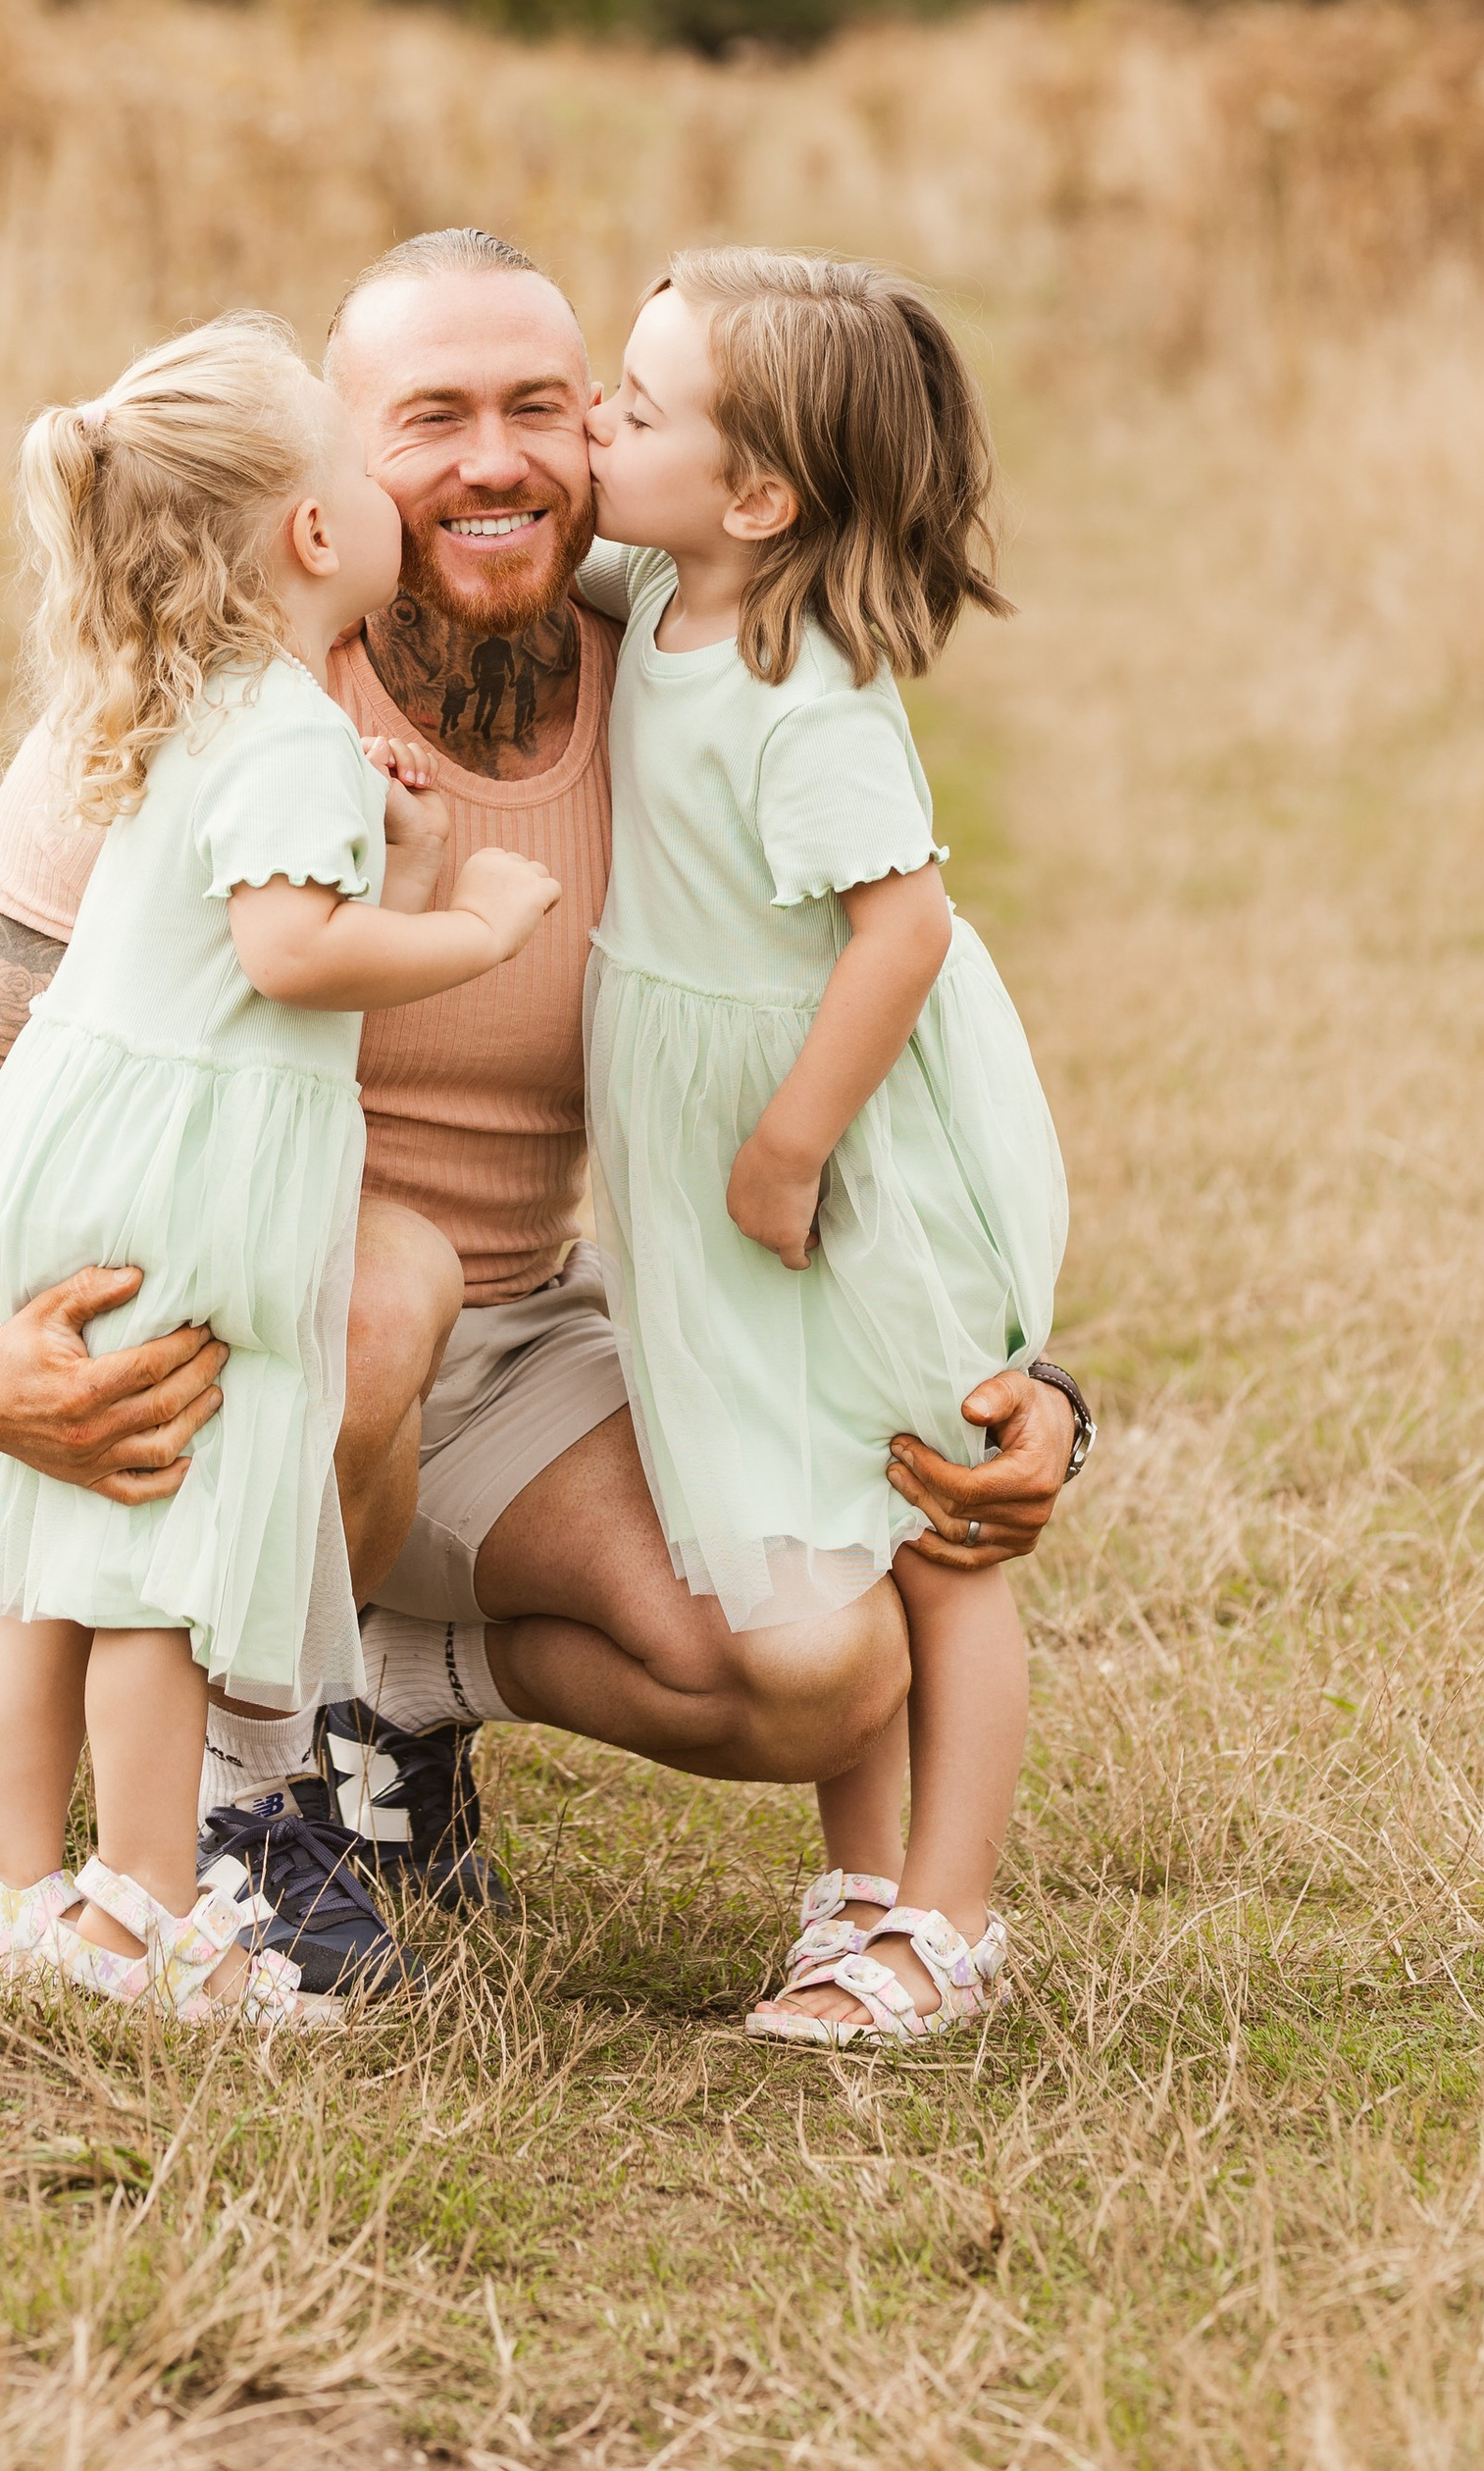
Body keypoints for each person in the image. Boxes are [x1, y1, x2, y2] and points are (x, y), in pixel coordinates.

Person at [0, 232, 1086, 1995]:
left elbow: (898, 1040)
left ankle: (395, 1699)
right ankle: (255, 1813)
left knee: (823, 1673)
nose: (499, 459)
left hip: (537, 1347)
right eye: (428, 418)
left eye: (544, 404)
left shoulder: (674, 657)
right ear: (325, 479)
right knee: (381, 1278)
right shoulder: (177, 719)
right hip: (276, 1337)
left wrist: (1037, 1383)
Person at [0, 313, 557, 2024]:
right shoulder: (281, 727)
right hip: (177, 1164)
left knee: (69, 1533)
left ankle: (2, 1884)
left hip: (70, 1139)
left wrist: (402, 860)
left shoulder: (180, 702)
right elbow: (287, 958)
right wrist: (479, 919)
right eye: (359, 463)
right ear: (315, 533)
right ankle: (143, 1908)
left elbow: (264, 943)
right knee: (168, 1549)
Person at [580, 251, 1067, 2045]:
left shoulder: (813, 692)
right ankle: (858, 1890)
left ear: (760, 495)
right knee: (804, 1499)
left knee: (930, 1520)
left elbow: (904, 933)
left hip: (854, 1151)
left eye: (633, 406)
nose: (589, 420)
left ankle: (945, 1919)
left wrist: (790, 1144)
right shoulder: (657, 588)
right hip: (718, 1133)